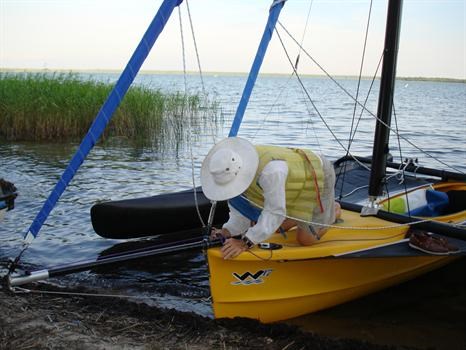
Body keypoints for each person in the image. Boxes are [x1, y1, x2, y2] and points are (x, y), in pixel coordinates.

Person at [201, 137, 341, 259]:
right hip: (291, 185)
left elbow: (275, 212)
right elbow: (240, 213)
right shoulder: (234, 171)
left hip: (316, 175)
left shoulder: (271, 172)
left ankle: (333, 211)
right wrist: (227, 231)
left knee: (305, 240)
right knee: (269, 226)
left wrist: (245, 242)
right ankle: (296, 218)